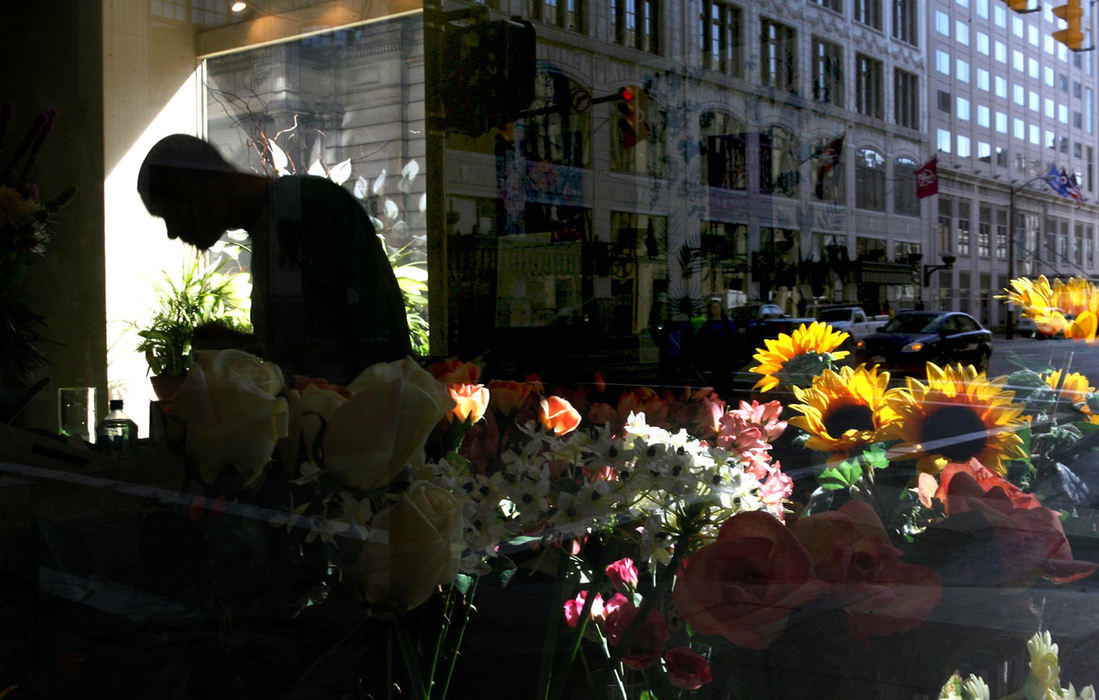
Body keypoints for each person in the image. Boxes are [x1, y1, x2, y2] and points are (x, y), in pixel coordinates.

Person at [137, 134, 412, 383]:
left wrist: (242, 347)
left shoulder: (300, 209)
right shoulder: (279, 216)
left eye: (169, 212)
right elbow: (320, 338)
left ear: (199, 193)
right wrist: (241, 345)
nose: (172, 232)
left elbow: (362, 345)